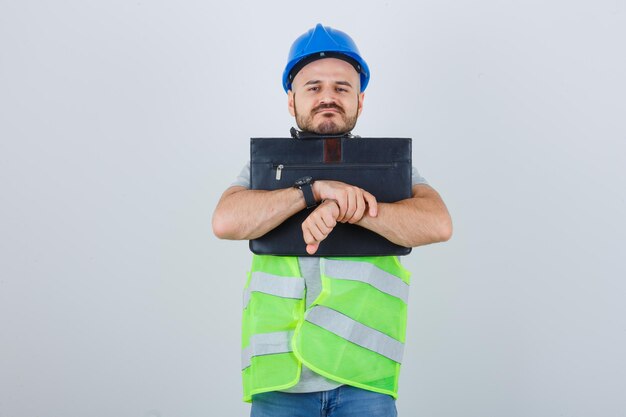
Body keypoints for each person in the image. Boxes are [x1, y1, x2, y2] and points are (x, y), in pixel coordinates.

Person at [212, 23, 452, 417]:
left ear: (360, 100)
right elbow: (225, 221)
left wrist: (347, 207)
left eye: (342, 88)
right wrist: (313, 191)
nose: (328, 98)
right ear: (292, 101)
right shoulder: (264, 169)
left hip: (363, 380)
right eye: (314, 87)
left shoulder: (388, 168)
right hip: (279, 382)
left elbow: (438, 224)